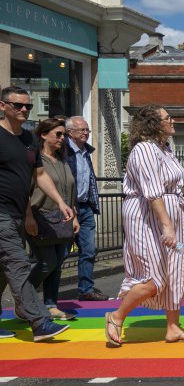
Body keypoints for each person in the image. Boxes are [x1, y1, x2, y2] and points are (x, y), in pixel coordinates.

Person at [106, 105, 184, 345]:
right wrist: (167, 226)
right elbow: (153, 193)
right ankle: (116, 316)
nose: (173, 120)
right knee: (152, 278)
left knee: (174, 272)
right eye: (168, 118)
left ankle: (173, 327)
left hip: (171, 215)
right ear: (154, 124)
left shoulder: (164, 149)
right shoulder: (145, 149)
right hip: (147, 217)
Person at [0, 86, 74, 341]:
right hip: (1, 215)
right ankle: (39, 321)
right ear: (2, 106)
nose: (23, 110)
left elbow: (39, 175)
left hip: (18, 213)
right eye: (17, 105)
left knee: (3, 269)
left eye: (28, 106)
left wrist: (61, 202)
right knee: (19, 264)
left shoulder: (30, 139)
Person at [27, 118, 79, 321]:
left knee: (58, 263)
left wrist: (74, 216)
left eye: (64, 134)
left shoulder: (63, 161)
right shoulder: (35, 159)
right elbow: (26, 191)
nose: (62, 138)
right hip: (40, 217)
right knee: (48, 262)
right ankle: (24, 298)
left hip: (62, 219)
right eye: (58, 134)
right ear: (43, 135)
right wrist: (28, 216)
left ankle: (50, 304)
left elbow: (68, 191)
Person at [64, 116, 107, 302]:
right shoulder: (63, 151)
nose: (86, 133)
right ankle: (42, 292)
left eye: (87, 130)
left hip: (85, 207)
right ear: (69, 132)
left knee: (88, 250)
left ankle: (86, 289)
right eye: (82, 130)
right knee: (60, 253)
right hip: (66, 208)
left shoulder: (85, 152)